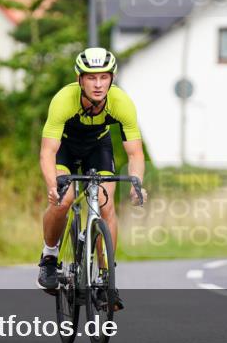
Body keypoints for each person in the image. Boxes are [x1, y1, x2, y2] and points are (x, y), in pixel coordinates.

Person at [37, 47, 148, 310]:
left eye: (104, 77)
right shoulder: (64, 100)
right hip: (65, 148)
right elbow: (47, 152)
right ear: (79, 80)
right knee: (64, 200)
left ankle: (106, 280)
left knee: (105, 204)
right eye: (91, 77)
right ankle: (49, 257)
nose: (98, 84)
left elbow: (135, 153)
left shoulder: (122, 103)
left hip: (98, 148)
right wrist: (53, 186)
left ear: (112, 78)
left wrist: (137, 185)